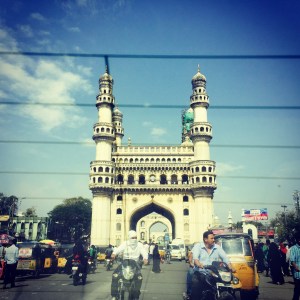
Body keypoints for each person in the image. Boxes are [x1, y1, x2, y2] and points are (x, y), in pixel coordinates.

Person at [183, 230, 234, 300]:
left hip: (214, 273)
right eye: (212, 238)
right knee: (194, 279)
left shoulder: (217, 247)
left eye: (214, 238)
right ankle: (190, 294)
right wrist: (199, 264)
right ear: (205, 239)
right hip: (201, 272)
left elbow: (225, 258)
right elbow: (196, 259)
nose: (214, 240)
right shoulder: (198, 247)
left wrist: (231, 267)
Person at [110, 230, 148, 300]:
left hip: (135, 264)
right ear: (129, 237)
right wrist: (114, 253)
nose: (134, 239)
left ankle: (136, 295)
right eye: (132, 237)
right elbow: (119, 249)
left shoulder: (139, 244)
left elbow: (144, 252)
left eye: (135, 237)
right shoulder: (125, 243)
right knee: (115, 275)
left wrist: (145, 258)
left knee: (139, 277)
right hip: (125, 263)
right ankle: (114, 295)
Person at [290, 232, 300, 300]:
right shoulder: (293, 248)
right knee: (297, 290)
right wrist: (297, 268)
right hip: (298, 273)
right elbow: (292, 260)